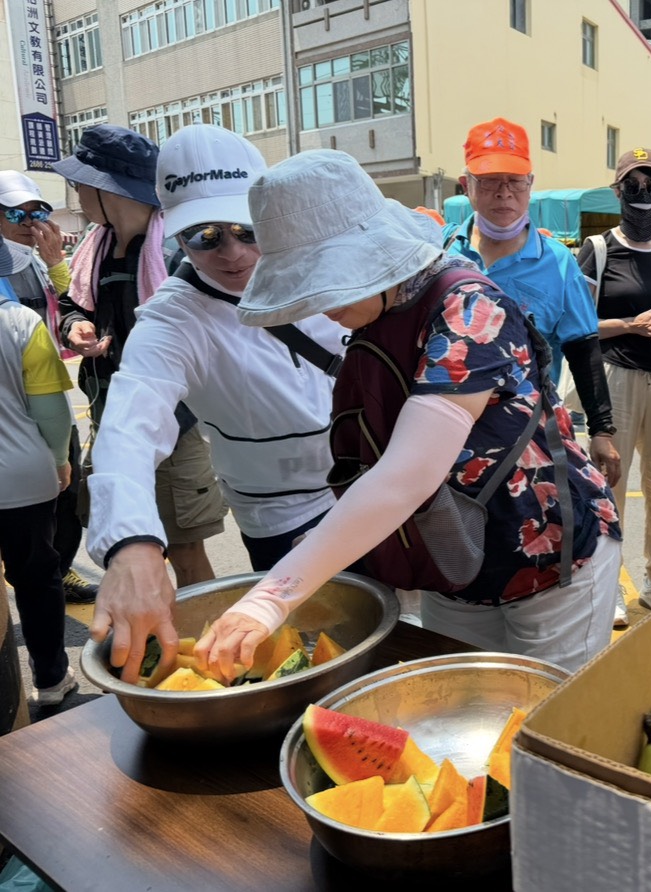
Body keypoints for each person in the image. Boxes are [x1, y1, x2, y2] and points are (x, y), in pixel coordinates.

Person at [193, 150, 622, 678]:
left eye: (326, 280)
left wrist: (271, 598)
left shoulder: (469, 309)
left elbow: (407, 476)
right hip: (454, 559)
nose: (318, 305)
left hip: (550, 558)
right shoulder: (382, 308)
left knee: (547, 725)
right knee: (464, 713)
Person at [84, 125, 346, 683]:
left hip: (374, 487)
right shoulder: (173, 319)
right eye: (203, 236)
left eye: (249, 229)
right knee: (315, 662)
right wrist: (131, 543)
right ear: (173, 235)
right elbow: (129, 426)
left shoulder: (323, 262)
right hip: (285, 519)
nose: (232, 252)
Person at [50, 124, 225, 589]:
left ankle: (204, 650)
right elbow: (73, 304)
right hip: (114, 418)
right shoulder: (97, 246)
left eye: (80, 183)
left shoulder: (176, 251)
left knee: (185, 551)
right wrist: (76, 326)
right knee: (129, 548)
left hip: (176, 425)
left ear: (107, 189)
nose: (78, 194)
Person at [443, 118, 621, 489]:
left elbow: (583, 348)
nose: (504, 193)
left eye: (515, 181)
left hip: (523, 441)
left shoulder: (558, 263)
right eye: (490, 180)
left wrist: (602, 430)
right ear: (467, 186)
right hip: (443, 437)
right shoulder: (441, 252)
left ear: (531, 185)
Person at [577, 147, 651, 614]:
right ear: (618, 191)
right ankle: (610, 583)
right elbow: (578, 326)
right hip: (614, 376)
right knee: (608, 484)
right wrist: (631, 324)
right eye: (634, 186)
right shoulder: (599, 250)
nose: (644, 195)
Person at [0, 171, 94, 603]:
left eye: (39, 211)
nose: (29, 220)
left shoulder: (37, 261)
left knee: (65, 489)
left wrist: (56, 262)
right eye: (15, 212)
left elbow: (72, 307)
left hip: (49, 392)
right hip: (12, 400)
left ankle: (59, 568)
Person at [0, 239, 77, 707]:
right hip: (22, 478)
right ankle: (50, 680)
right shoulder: (20, 323)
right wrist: (60, 460)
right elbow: (52, 412)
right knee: (35, 577)